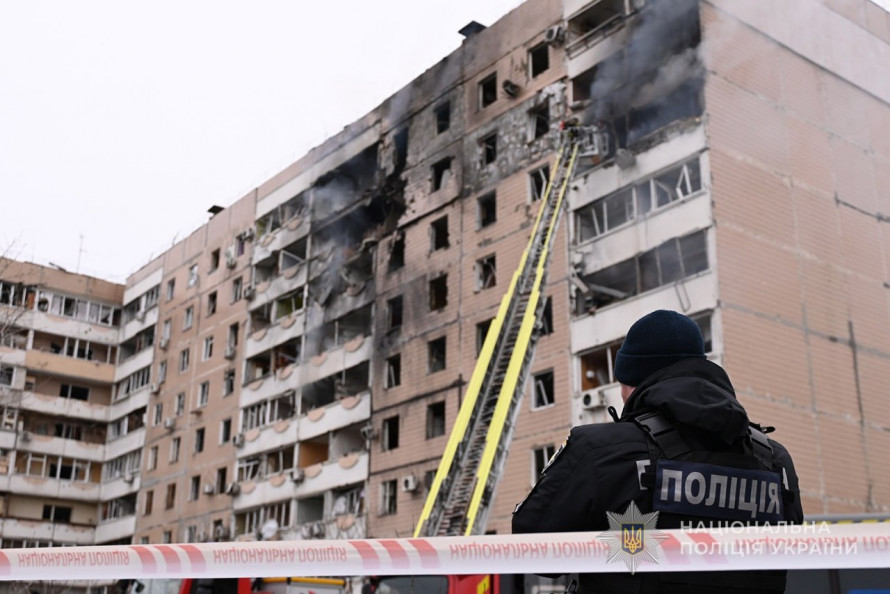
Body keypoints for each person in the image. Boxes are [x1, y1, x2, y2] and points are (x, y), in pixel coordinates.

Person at [513, 310, 803, 593]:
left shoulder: (599, 450)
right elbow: (788, 557)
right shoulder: (774, 461)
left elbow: (532, 547)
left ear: (630, 382)